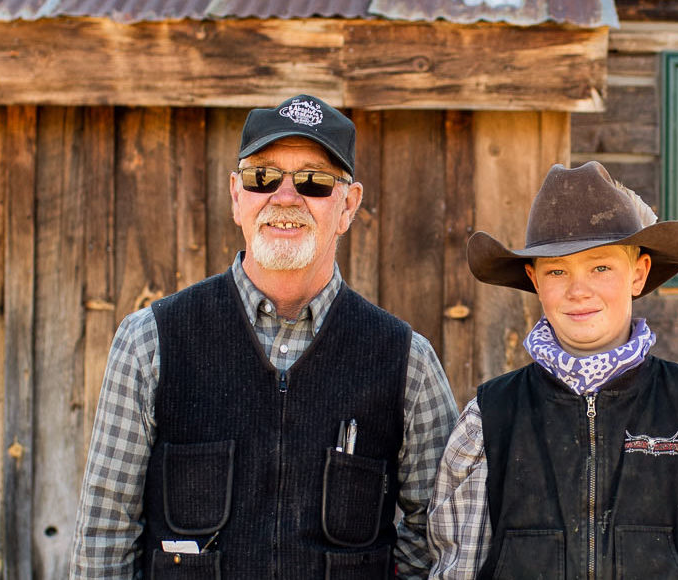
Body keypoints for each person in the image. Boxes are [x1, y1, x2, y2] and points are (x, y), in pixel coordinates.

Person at [70, 94, 458, 579]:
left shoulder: (406, 361)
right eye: (262, 177)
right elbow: (105, 535)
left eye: (314, 182)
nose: (285, 197)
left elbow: (443, 534)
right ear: (237, 196)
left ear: (348, 205)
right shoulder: (150, 343)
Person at [427, 161, 678, 579]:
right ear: (535, 280)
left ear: (638, 273)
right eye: (557, 270)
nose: (579, 290)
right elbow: (456, 567)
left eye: (601, 267)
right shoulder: (489, 419)